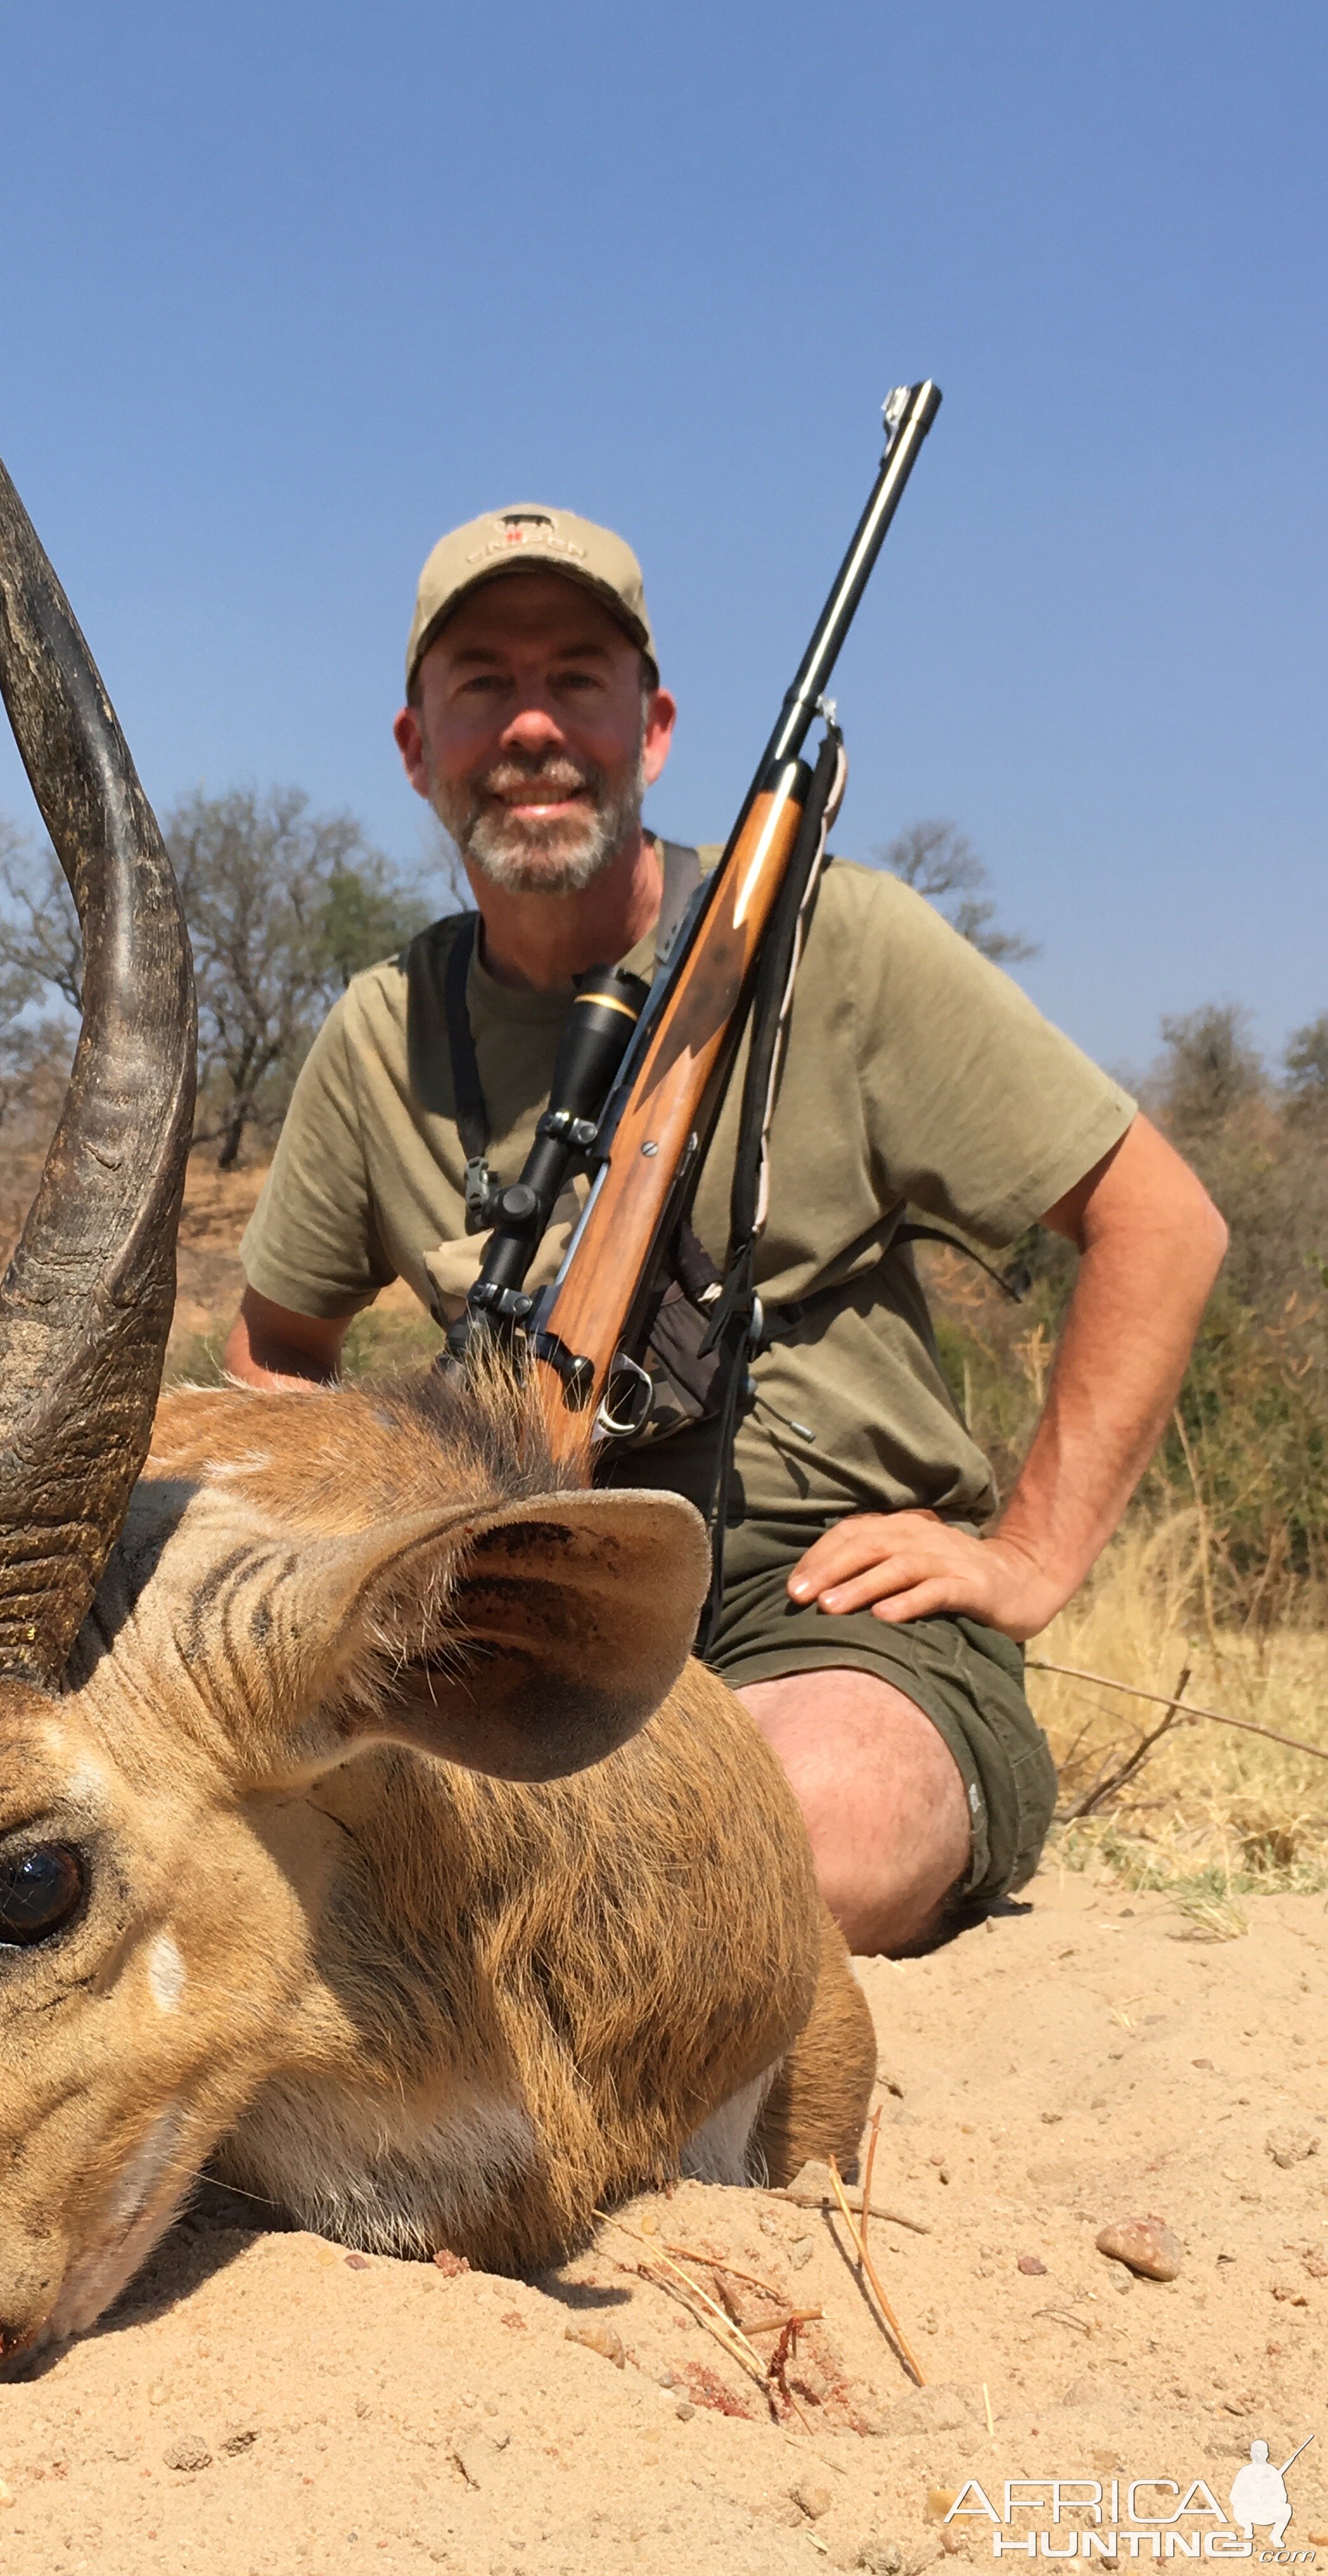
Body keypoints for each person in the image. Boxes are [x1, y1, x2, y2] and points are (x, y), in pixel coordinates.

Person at [224, 503, 1227, 1956]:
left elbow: (1159, 1221)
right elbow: (273, 1362)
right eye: (484, 683)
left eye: (577, 676)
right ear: (415, 743)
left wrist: (1028, 1557)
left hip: (825, 1614)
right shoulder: (383, 1031)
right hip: (513, 1620)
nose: (532, 726)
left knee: (825, 1818)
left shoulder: (845, 944)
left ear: (657, 723)